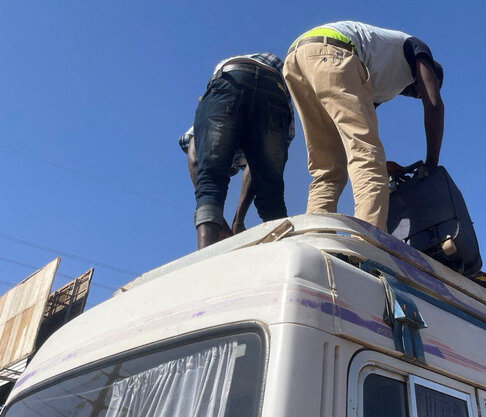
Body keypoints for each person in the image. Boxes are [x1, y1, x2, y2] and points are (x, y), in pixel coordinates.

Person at [283, 21, 444, 230]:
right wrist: (431, 164)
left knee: (328, 168)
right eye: (423, 87)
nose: (418, 95)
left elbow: (350, 137)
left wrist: (387, 166)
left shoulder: (383, 84)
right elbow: (434, 104)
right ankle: (368, 242)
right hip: (334, 52)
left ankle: (315, 235)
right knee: (367, 155)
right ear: (430, 73)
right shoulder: (416, 47)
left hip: (297, 59)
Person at [192, 53, 294, 249]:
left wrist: (226, 222)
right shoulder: (246, 151)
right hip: (275, 88)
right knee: (271, 194)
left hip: (231, 80)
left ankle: (205, 260)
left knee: (210, 181)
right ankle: (281, 257)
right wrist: (235, 222)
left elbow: (196, 160)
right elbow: (258, 169)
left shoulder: (202, 131)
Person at [179, 127, 253, 238]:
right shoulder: (194, 138)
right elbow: (194, 162)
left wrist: (238, 221)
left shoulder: (245, 153)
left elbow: (256, 172)